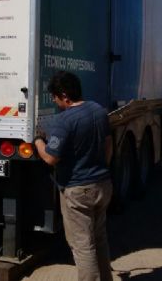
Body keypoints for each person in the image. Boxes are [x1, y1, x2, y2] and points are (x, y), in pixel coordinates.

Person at [34, 71, 114, 281]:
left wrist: (38, 141)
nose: (53, 100)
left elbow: (51, 159)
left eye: (55, 96)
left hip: (78, 190)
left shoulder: (65, 120)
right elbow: (108, 146)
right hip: (103, 184)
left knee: (83, 246)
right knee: (100, 239)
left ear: (64, 95)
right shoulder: (98, 110)